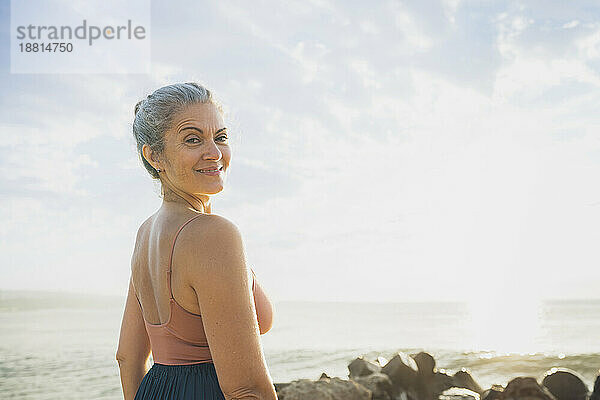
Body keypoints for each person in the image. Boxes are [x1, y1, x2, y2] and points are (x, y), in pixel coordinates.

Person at [116, 82, 277, 400]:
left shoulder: (146, 233)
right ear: (154, 156)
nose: (215, 153)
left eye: (220, 137)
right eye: (193, 139)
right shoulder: (213, 235)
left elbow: (127, 358)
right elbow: (247, 389)